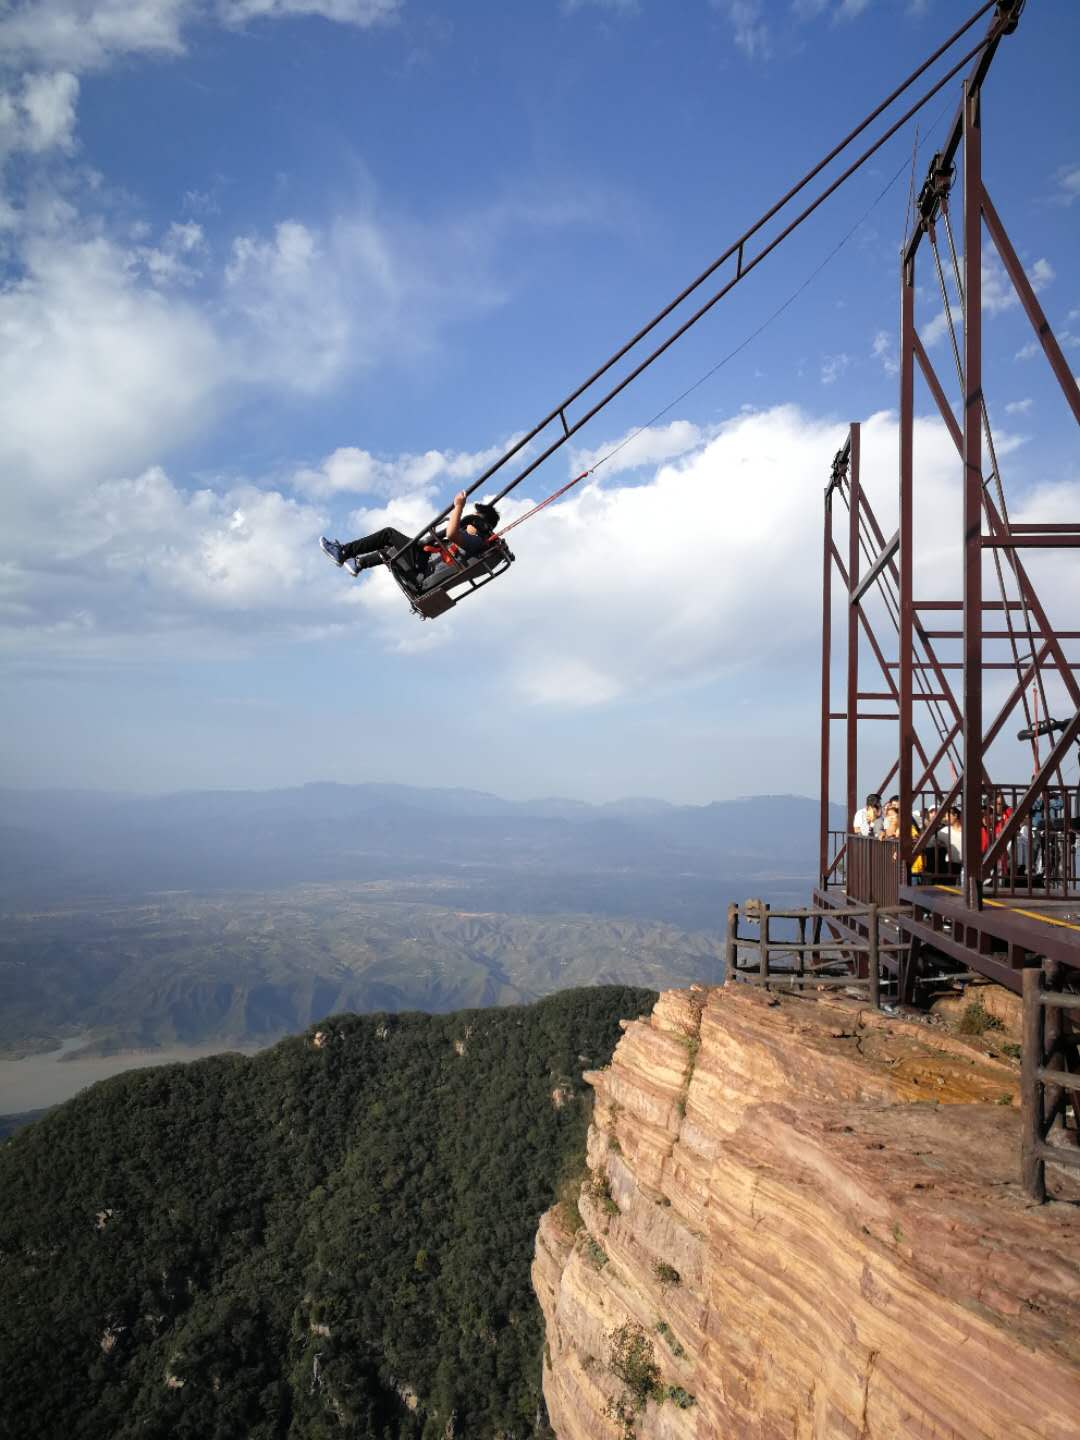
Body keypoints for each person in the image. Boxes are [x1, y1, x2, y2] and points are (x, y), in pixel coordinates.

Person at [320, 491, 500, 582]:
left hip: (424, 569)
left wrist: (458, 506)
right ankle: (358, 563)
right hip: (425, 561)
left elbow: (452, 534)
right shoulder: (473, 539)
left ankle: (343, 552)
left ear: (480, 524)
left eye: (475, 517)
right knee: (393, 547)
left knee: (388, 534)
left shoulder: (476, 540)